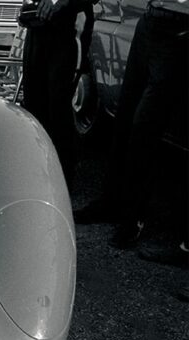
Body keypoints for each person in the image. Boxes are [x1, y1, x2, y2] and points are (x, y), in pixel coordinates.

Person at [74, 0, 187, 253]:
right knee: (123, 118)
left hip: (179, 28)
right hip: (148, 21)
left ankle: (134, 218)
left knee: (145, 125)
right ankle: (111, 202)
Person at [21, 0, 95, 187]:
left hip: (68, 25)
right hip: (37, 26)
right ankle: (37, 175)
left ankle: (60, 182)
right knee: (33, 105)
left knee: (58, 108)